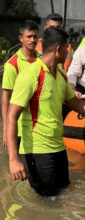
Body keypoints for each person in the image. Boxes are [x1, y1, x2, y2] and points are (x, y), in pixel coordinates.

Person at [6, 27, 85, 196]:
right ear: (58, 49)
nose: (69, 52)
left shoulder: (61, 75)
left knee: (63, 193)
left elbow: (76, 104)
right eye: (67, 48)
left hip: (57, 146)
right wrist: (13, 159)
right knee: (47, 199)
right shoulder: (30, 75)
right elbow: (12, 116)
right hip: (37, 149)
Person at [2, 20, 40, 148]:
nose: (32, 40)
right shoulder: (12, 65)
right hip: (19, 127)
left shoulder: (43, 59)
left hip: (40, 126)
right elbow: (6, 98)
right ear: (21, 38)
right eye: (29, 36)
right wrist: (6, 129)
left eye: (35, 36)